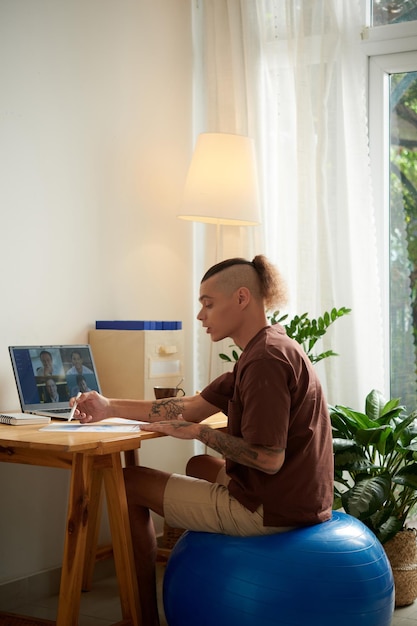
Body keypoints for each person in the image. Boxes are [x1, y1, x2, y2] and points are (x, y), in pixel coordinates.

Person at [71, 255, 334, 626]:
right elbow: (190, 406)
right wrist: (108, 406)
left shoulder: (265, 362)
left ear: (242, 297)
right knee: (198, 465)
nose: (200, 316)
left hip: (271, 509)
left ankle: (142, 618)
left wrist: (199, 433)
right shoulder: (268, 347)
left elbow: (268, 458)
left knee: (128, 484)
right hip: (298, 495)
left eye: (208, 304)